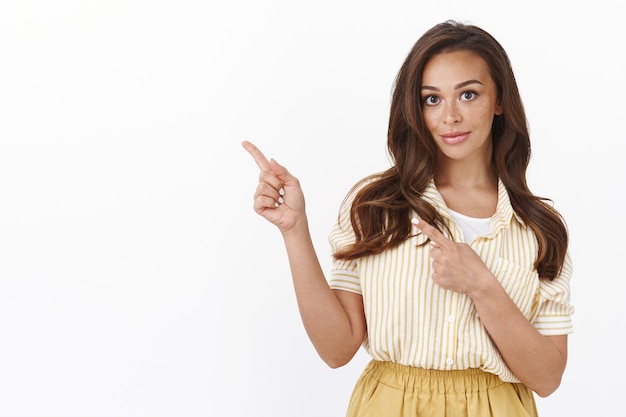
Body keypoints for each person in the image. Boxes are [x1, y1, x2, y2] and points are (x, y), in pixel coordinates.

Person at [242, 20, 574, 417]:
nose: (450, 116)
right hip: (389, 405)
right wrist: (295, 230)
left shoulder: (540, 228)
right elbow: (336, 350)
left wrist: (483, 286)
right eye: (431, 99)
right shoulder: (376, 206)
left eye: (468, 94)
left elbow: (548, 378)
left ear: (499, 100)